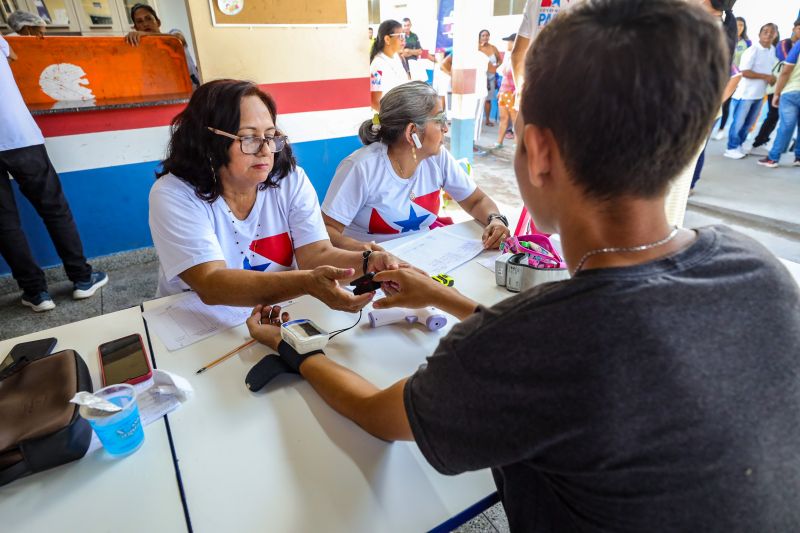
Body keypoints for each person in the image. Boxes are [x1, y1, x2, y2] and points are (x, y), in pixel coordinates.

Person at [245, 1, 800, 530]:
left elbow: (375, 413)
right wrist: (440, 296)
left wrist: (290, 347)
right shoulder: (759, 270)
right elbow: (533, 344)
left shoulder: (528, 346)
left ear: (538, 152)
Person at [149, 79, 405, 310]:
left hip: (275, 309)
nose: (265, 150)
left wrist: (369, 262)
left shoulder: (289, 180)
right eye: (249, 138)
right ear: (208, 141)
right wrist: (306, 283)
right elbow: (211, 283)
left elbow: (315, 255)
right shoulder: (174, 194)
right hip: (195, 321)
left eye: (270, 137)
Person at [321, 82, 509, 252]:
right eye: (439, 120)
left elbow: (476, 201)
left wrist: (496, 220)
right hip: (369, 272)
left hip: (423, 257)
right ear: (413, 132)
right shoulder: (361, 168)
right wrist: (366, 252)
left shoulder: (438, 158)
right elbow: (327, 230)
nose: (445, 128)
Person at [0, 34, 108, 312]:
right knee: (53, 208)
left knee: (4, 222)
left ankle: (36, 293)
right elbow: (14, 55)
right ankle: (82, 279)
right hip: (17, 135)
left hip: (16, 136)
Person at [511, 0, 581, 109]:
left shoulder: (533, 2)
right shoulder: (595, 4)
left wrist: (522, 93)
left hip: (535, 94)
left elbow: (517, 54)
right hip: (574, 95)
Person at [723, 23, 778, 159]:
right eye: (765, 31)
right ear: (759, 34)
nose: (768, 34)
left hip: (759, 94)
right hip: (745, 94)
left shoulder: (772, 50)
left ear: (775, 35)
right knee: (738, 123)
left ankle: (739, 145)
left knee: (748, 124)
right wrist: (766, 77)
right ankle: (731, 148)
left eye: (772, 32)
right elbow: (745, 72)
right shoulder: (752, 50)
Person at [752, 19, 800, 155]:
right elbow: (787, 61)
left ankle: (770, 143)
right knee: (773, 115)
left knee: (782, 118)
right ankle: (759, 142)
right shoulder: (784, 43)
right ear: (794, 28)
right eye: (799, 28)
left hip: (791, 86)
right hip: (779, 86)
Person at [124, 3, 200, 89]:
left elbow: (178, 39)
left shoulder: (173, 33)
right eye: (140, 21)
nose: (145, 24)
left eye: (148, 18)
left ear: (158, 22)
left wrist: (146, 34)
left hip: (195, 92)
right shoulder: (144, 54)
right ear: (136, 28)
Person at [758, 39, 800, 168]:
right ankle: (798, 157)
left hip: (792, 91)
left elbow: (786, 70)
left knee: (786, 126)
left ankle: (773, 158)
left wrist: (777, 93)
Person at [712, 16, 752, 140]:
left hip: (738, 77)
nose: (739, 27)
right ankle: (714, 127)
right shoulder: (725, 39)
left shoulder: (747, 43)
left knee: (728, 104)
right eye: (737, 24)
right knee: (720, 104)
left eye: (742, 25)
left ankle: (723, 129)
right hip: (722, 74)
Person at [370, 19, 410, 112]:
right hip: (387, 120)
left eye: (403, 35)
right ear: (387, 39)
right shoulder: (377, 66)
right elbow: (374, 101)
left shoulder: (396, 57)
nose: (403, 39)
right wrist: (392, 118)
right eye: (399, 36)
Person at [494, 34, 518, 150]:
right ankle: (499, 142)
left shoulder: (518, 57)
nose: (507, 44)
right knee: (503, 118)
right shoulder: (509, 56)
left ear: (515, 42)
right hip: (504, 92)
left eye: (509, 41)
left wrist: (517, 90)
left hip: (512, 92)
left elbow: (521, 75)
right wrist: (500, 91)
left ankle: (517, 144)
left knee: (515, 119)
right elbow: (504, 74)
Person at [479, 30, 501, 127]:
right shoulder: (476, 47)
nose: (485, 37)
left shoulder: (493, 48)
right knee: (478, 98)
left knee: (488, 99)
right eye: (483, 35)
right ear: (479, 37)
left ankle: (487, 120)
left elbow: (500, 60)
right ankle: (476, 119)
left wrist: (496, 67)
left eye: (487, 35)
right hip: (479, 76)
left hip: (491, 77)